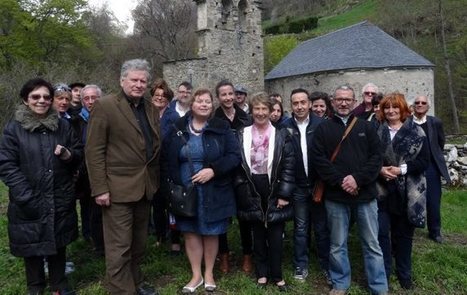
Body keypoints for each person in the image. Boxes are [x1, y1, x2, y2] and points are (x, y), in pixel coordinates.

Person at [0, 78, 83, 295]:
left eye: (46, 97)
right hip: (28, 197)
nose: (42, 101)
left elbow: (78, 154)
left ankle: (59, 283)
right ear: (26, 100)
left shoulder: (63, 126)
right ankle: (35, 286)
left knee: (58, 239)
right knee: (31, 243)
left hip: (59, 194)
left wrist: (68, 155)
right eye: (35, 97)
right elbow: (6, 164)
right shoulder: (14, 128)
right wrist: (24, 194)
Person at [85, 59, 160, 295]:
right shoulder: (105, 106)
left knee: (138, 243)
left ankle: (135, 282)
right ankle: (121, 290)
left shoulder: (150, 107)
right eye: (134, 80)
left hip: (144, 185)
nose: (138, 85)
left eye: (143, 81)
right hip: (116, 189)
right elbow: (93, 150)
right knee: (119, 246)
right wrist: (100, 189)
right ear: (122, 80)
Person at [310, 85, 388, 295]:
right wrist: (341, 181)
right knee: (337, 244)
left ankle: (379, 286)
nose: (343, 103)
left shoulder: (367, 127)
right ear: (332, 102)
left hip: (365, 196)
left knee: (372, 243)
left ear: (355, 103)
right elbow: (318, 160)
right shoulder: (323, 129)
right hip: (336, 196)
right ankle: (340, 283)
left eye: (348, 99)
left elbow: (376, 158)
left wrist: (357, 180)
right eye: (339, 99)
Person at [161, 88, 241, 293]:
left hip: (214, 189)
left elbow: (234, 156)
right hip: (185, 191)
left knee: (211, 231)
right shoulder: (176, 127)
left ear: (212, 105)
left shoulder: (221, 127)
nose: (204, 104)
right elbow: (167, 158)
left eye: (207, 101)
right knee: (189, 231)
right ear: (192, 105)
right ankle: (196, 274)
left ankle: (209, 273)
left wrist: (213, 170)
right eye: (199, 101)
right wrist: (173, 184)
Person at [235, 92, 295, 291]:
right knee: (258, 233)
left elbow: (288, 165)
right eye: (257, 109)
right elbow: (238, 165)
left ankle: (277, 275)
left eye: (264, 109)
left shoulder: (282, 134)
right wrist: (242, 190)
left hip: (274, 186)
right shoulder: (242, 133)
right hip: (252, 188)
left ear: (271, 111)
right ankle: (261, 274)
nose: (260, 113)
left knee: (276, 235)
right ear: (251, 111)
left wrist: (284, 194)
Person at [375, 92, 429, 289]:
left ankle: (404, 275)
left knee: (404, 235)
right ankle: (384, 273)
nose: (391, 111)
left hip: (409, 192)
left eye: (395, 107)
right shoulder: (377, 132)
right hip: (381, 190)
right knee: (381, 234)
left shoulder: (417, 133)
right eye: (387, 107)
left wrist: (401, 170)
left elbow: (424, 161)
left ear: (403, 109)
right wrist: (380, 170)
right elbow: (369, 158)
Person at [282, 89, 329, 284]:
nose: (300, 106)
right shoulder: (285, 127)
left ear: (309, 103)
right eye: (295, 103)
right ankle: (301, 264)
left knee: (322, 227)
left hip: (319, 184)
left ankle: (327, 264)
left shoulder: (322, 125)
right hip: (299, 186)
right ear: (291, 105)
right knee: (300, 228)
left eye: (303, 102)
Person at [213, 80, 253, 274]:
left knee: (244, 216)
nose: (228, 98)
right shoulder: (213, 119)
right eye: (224, 95)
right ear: (218, 97)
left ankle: (247, 255)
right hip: (221, 173)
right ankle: (224, 256)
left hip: (242, 174)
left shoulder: (246, 118)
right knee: (221, 217)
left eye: (231, 94)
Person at [71, 84, 104, 256]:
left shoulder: (108, 117)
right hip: (84, 174)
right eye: (87, 98)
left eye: (94, 98)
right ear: (82, 101)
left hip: (105, 172)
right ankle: (93, 240)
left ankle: (104, 242)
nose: (91, 102)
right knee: (89, 209)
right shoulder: (75, 121)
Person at [412, 95, 450, 243]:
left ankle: (435, 231)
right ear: (413, 106)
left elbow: (440, 143)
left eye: (423, 103)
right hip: (413, 167)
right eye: (417, 103)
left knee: (433, 200)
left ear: (428, 106)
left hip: (431, 167)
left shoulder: (435, 122)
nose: (420, 105)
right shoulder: (407, 122)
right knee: (412, 199)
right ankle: (410, 227)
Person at [161, 81, 192, 255]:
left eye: (188, 91)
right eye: (181, 91)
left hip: (190, 159)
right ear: (177, 93)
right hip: (173, 158)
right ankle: (174, 238)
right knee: (174, 199)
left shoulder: (195, 111)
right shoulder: (170, 112)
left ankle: (189, 235)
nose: (184, 94)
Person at [149, 78, 174, 246]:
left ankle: (174, 238)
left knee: (170, 204)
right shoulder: (145, 114)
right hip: (150, 166)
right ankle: (159, 236)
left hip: (168, 166)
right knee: (156, 204)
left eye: (163, 95)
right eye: (156, 95)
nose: (159, 98)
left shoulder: (173, 117)